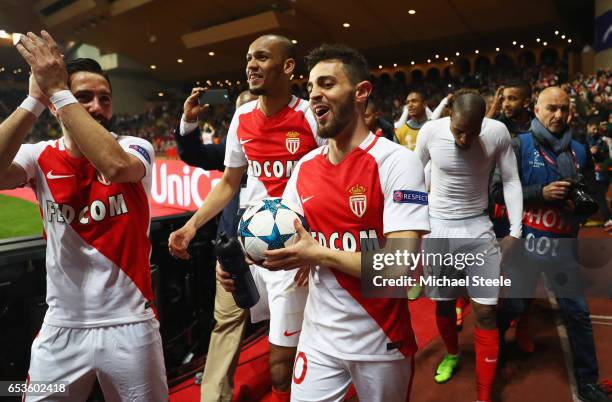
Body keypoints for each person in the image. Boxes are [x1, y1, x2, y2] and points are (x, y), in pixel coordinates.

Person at [256, 43, 430, 402]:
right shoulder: (304, 168)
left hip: (381, 340)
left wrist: (317, 254)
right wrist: (244, 259)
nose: (315, 95)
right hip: (318, 339)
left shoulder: (397, 163)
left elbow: (401, 267)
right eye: (310, 89)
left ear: (361, 92)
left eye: (327, 84)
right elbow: (279, 238)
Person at [0, 32, 166, 401]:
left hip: (131, 325)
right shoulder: (39, 155)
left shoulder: (134, 147)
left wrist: (60, 91)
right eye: (83, 97)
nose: (96, 107)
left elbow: (115, 165)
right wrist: (34, 99)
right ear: (57, 105)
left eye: (104, 99)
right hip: (62, 328)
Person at [168, 34, 323, 402]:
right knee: (233, 324)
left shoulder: (310, 117)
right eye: (248, 58)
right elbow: (228, 182)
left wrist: (315, 244)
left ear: (287, 67)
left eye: (262, 57)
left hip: (296, 249)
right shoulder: (242, 117)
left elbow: (330, 182)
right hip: (248, 246)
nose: (251, 64)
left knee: (284, 360)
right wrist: (191, 227)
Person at [492, 87, 611, 402]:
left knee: (578, 314)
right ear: (536, 110)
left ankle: (588, 383)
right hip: (526, 247)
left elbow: (593, 195)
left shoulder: (580, 150)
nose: (559, 115)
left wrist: (582, 209)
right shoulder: (518, 145)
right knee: (515, 306)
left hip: (563, 248)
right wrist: (539, 194)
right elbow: (495, 191)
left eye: (564, 109)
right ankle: (494, 351)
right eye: (552, 108)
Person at [415, 93, 523, 402]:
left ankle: (484, 394)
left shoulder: (497, 132)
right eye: (458, 130)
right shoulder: (430, 132)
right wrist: (415, 224)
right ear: (448, 116)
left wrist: (515, 231)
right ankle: (451, 354)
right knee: (444, 304)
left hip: (478, 227)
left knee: (486, 311)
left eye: (471, 132)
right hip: (437, 228)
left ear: (483, 122)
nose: (464, 138)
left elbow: (511, 180)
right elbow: (411, 179)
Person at [173, 89, 257, 402]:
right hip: (234, 252)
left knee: (291, 328)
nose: (248, 117)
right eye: (241, 112)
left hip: (285, 255)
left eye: (254, 109)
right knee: (227, 325)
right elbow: (194, 154)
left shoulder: (294, 150)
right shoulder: (231, 155)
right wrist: (189, 121)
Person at [586, 117, 612, 228]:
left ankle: (608, 219)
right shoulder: (582, 138)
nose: (595, 131)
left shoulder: (602, 140)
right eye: (593, 129)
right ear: (588, 127)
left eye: (596, 129)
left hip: (599, 174)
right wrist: (588, 151)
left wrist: (598, 153)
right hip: (586, 173)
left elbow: (606, 157)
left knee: (600, 196)